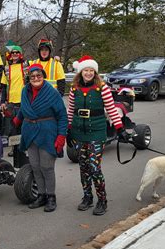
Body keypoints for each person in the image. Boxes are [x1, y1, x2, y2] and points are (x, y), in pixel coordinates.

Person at [67, 55, 130, 216]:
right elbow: (70, 110)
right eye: (85, 70)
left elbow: (111, 109)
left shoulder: (102, 88)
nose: (88, 73)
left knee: (94, 168)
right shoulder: (74, 89)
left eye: (91, 70)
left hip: (97, 132)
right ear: (80, 72)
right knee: (83, 167)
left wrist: (120, 129)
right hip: (79, 133)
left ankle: (102, 200)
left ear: (94, 72)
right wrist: (67, 129)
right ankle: (87, 197)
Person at [12, 63, 68, 212]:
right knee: (36, 167)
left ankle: (51, 197)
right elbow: (24, 108)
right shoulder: (25, 91)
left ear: (43, 76)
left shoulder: (52, 93)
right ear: (29, 78)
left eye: (39, 75)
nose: (36, 78)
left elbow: (62, 116)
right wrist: (16, 119)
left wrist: (61, 137)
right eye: (33, 76)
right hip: (30, 132)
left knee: (47, 167)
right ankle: (41, 195)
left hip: (47, 133)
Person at [1, 45, 26, 156]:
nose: (14, 54)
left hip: (23, 101)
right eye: (13, 53)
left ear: (20, 54)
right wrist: (3, 102)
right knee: (12, 127)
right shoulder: (6, 69)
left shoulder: (25, 66)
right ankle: (13, 149)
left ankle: (23, 147)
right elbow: (3, 86)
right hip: (11, 101)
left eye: (17, 52)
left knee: (23, 125)